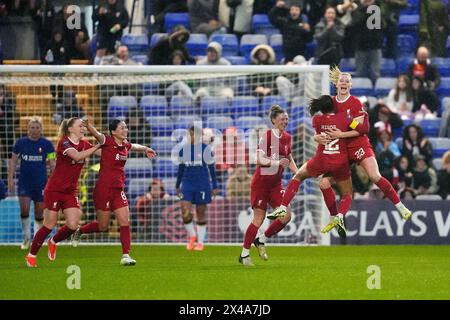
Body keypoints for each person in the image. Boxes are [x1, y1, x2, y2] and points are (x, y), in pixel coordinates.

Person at [297, 67, 411, 222]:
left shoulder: (356, 103)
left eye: (347, 81)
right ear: (336, 84)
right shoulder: (329, 103)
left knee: (374, 176)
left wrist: (342, 133)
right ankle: (335, 218)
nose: (344, 83)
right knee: (323, 183)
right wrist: (317, 137)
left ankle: (400, 206)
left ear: (350, 86)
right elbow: (323, 126)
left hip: (358, 145)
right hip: (340, 150)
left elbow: (363, 128)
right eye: (341, 81)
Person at [71, 119, 156, 266]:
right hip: (103, 190)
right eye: (122, 128)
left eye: (126, 128)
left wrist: (146, 148)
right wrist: (88, 125)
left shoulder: (125, 145)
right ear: (114, 131)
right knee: (102, 226)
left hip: (118, 190)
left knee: (124, 222)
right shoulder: (107, 141)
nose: (126, 130)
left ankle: (126, 255)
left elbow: (134, 146)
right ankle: (80, 231)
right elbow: (96, 134)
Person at [267, 95, 355, 235]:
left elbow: (318, 133)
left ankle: (283, 206)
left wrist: (315, 137)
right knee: (347, 193)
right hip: (340, 161)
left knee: (300, 176)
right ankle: (338, 217)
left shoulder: (317, 120)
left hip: (322, 159)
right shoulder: (345, 118)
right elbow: (357, 127)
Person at [25, 118, 101, 267]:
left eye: (83, 126)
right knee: (49, 225)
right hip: (54, 190)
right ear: (70, 129)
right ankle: (31, 255)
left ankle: (53, 242)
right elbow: (77, 156)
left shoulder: (84, 143)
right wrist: (98, 144)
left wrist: (114, 146)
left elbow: (103, 154)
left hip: (70, 191)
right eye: (80, 126)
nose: (83, 128)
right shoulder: (64, 142)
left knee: (73, 225)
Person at [239, 105, 298, 266]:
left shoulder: (287, 137)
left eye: (286, 119)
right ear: (273, 120)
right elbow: (259, 160)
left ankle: (261, 239)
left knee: (286, 215)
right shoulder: (266, 136)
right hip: (261, 184)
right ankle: (244, 254)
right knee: (259, 219)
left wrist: (298, 172)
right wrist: (277, 162)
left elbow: (289, 157)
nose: (285, 121)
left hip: (275, 184)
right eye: (282, 119)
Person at [8, 117, 56, 250]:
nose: (34, 130)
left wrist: (54, 180)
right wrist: (10, 179)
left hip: (41, 183)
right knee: (24, 210)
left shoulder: (47, 144)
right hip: (24, 182)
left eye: (37, 127)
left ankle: (36, 240)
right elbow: (13, 161)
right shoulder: (20, 143)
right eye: (32, 127)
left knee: (39, 213)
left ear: (41, 129)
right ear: (28, 129)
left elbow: (52, 163)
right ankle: (26, 238)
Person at [176, 126, 219, 251]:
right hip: (187, 185)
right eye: (189, 134)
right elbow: (181, 169)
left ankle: (200, 243)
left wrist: (215, 186)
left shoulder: (206, 150)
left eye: (193, 134)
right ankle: (193, 236)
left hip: (202, 184)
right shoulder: (183, 151)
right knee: (185, 211)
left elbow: (212, 169)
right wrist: (177, 185)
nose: (190, 137)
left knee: (201, 212)